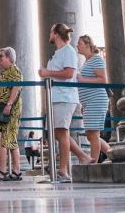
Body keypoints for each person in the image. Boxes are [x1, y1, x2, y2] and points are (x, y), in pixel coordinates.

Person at [39, 22, 91, 182]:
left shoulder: (68, 51)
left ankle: (63, 171)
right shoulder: (58, 53)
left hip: (65, 97)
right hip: (55, 98)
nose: (49, 34)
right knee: (57, 133)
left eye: (50, 31)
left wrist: (48, 72)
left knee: (61, 133)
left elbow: (69, 73)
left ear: (56, 34)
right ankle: (83, 157)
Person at [0, 46, 24, 181]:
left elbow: (16, 87)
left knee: (6, 139)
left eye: (1, 56)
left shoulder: (15, 71)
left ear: (9, 57)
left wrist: (9, 104)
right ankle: (15, 171)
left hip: (10, 110)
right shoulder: (3, 73)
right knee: (4, 139)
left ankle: (4, 170)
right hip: (0, 110)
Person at [76, 34, 112, 163]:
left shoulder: (96, 59)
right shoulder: (88, 61)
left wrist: (82, 79)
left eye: (79, 43)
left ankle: (93, 164)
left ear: (87, 45)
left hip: (96, 101)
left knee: (94, 134)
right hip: (88, 103)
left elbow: (103, 80)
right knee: (91, 135)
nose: (77, 46)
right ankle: (113, 155)